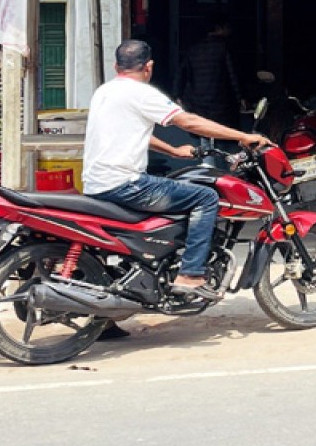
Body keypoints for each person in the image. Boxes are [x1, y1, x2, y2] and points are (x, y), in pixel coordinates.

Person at [84, 39, 270, 302]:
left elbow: (132, 131)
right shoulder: (141, 93)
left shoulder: (104, 91)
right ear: (149, 67)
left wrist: (172, 151)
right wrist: (242, 136)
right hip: (126, 184)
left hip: (97, 184)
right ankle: (191, 274)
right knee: (205, 197)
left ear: (116, 66)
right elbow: (189, 121)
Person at [176, 17, 243, 127]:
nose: (230, 31)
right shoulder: (225, 47)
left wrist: (178, 95)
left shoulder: (194, 48)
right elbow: (233, 76)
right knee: (224, 135)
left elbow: (181, 74)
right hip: (222, 102)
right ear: (218, 28)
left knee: (203, 133)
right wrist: (240, 98)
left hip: (197, 101)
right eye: (227, 27)